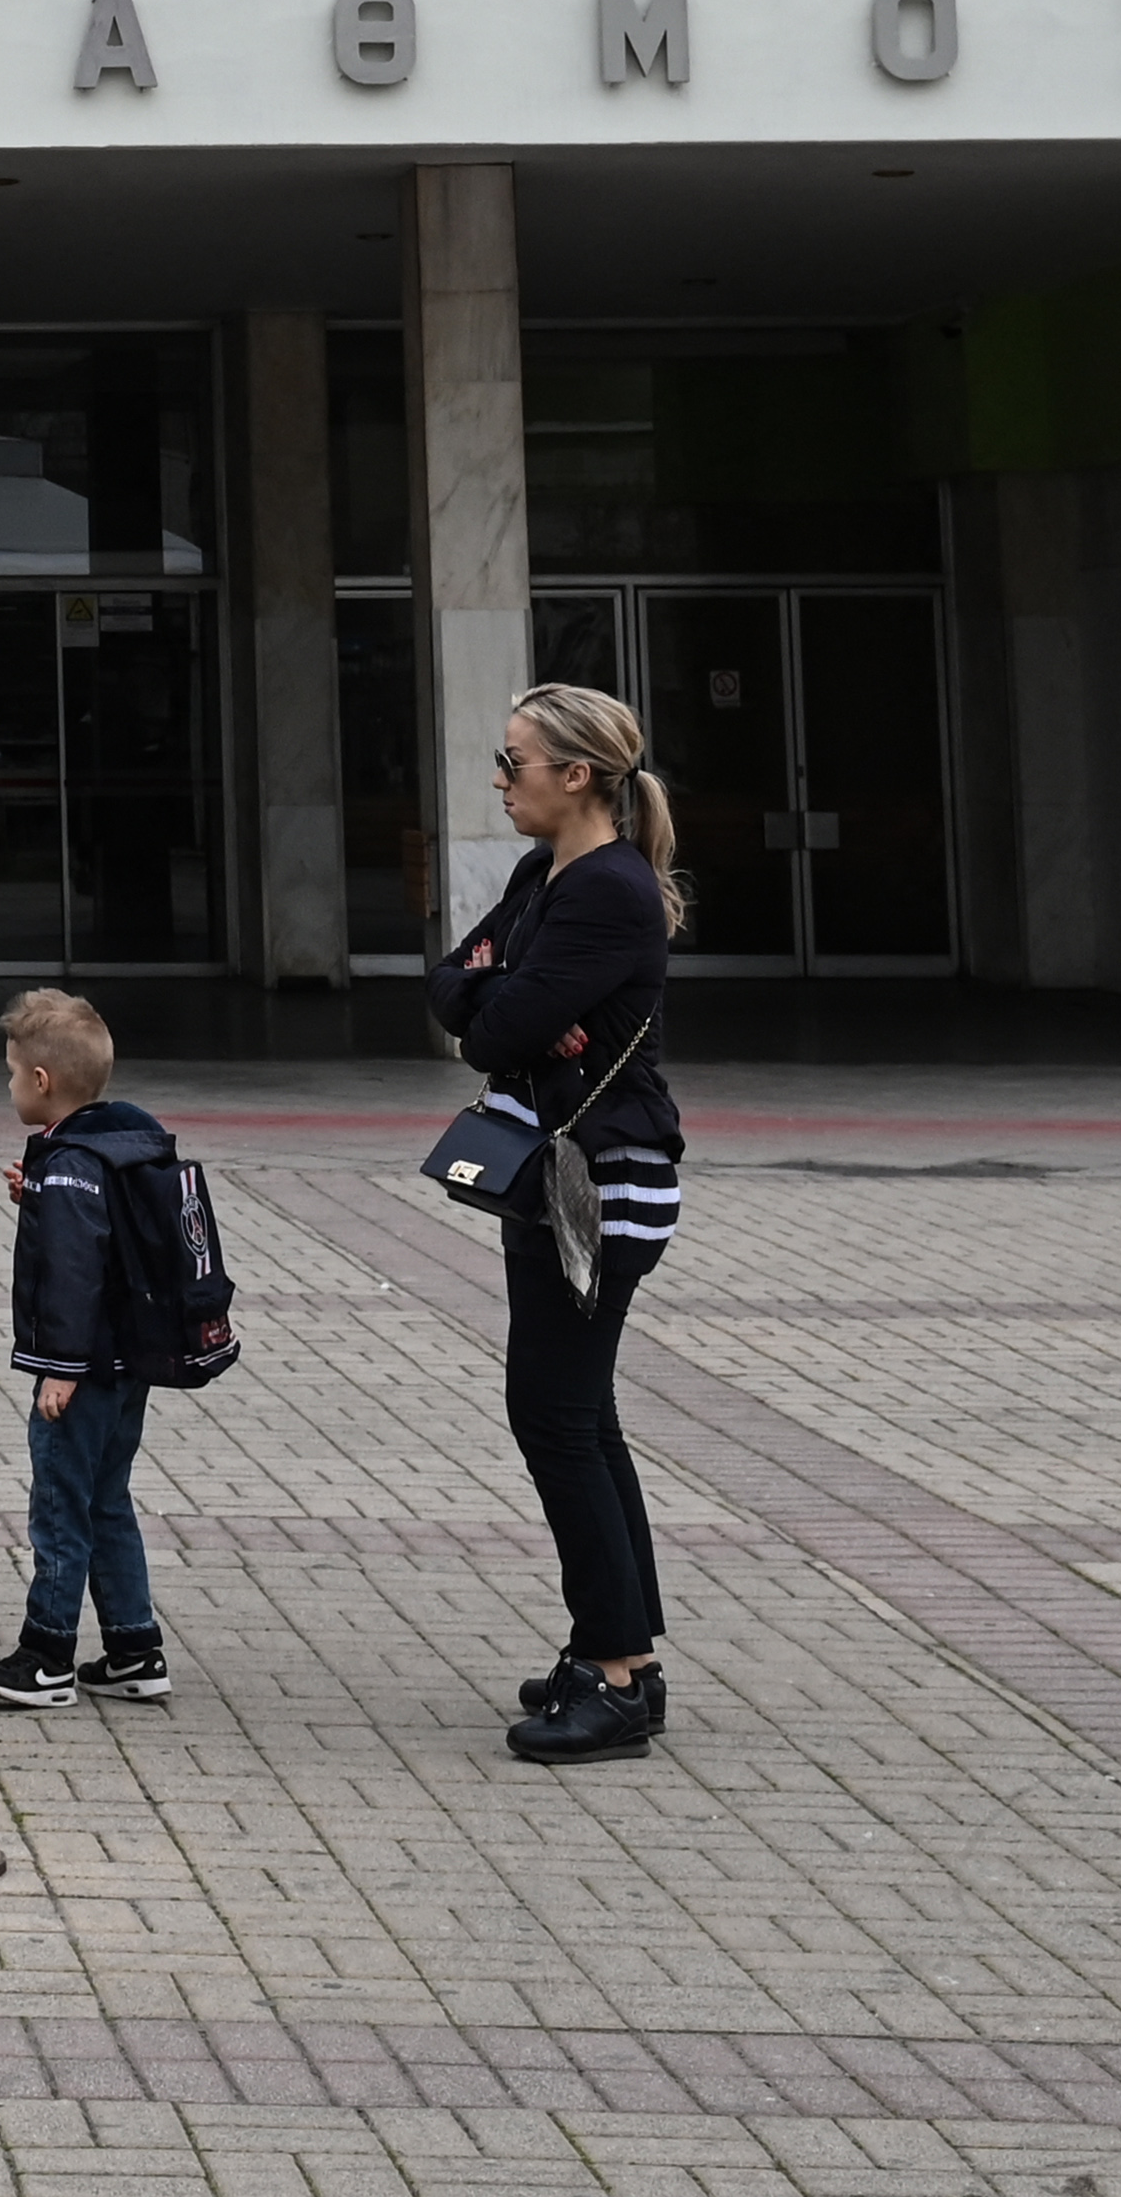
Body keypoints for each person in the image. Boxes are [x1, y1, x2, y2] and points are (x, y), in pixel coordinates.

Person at [433, 681, 687, 1766]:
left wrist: (508, 1008)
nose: (500, 779)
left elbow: (497, 1029)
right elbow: (454, 988)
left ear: (575, 775)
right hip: (554, 1176)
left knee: (553, 1416)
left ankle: (618, 1678)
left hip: (604, 1182)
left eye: (514, 761)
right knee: (583, 1416)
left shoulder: (610, 892)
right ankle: (617, 1646)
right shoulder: (549, 873)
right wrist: (502, 1003)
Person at [0, 986, 176, 1714]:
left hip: (80, 1371)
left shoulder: (69, 1162)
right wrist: (44, 1196)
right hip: (126, 1365)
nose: (11, 1084)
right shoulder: (113, 1142)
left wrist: (59, 1368)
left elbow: (76, 1275)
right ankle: (134, 1649)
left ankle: (46, 1654)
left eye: (13, 1074)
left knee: (60, 1506)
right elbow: (106, 1236)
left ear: (43, 1082)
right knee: (108, 1500)